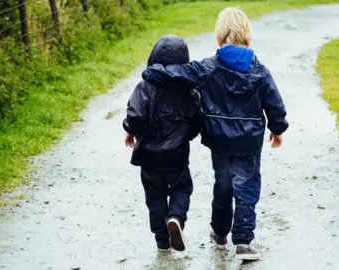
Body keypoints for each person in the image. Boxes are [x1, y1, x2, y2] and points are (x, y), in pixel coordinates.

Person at [141, 8, 289, 261]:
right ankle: (243, 242)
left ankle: (220, 233)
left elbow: (179, 74)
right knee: (247, 188)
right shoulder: (260, 71)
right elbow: (274, 104)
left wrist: (151, 72)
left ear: (219, 40)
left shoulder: (208, 67)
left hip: (219, 140)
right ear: (248, 39)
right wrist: (278, 128)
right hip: (248, 143)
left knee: (223, 185)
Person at [123, 35, 202, 252]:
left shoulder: (145, 86)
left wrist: (130, 130)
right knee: (182, 188)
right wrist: (186, 136)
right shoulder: (189, 91)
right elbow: (197, 121)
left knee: (155, 198)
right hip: (177, 157)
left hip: (149, 158)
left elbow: (136, 116)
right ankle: (175, 218)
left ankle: (161, 239)